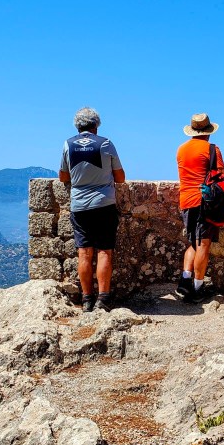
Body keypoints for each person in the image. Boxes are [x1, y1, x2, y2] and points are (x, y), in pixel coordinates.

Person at [59, 107, 126, 312]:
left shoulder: (68, 144)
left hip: (79, 206)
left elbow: (63, 177)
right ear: (96, 125)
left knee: (84, 253)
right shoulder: (105, 143)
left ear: (77, 126)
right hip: (104, 204)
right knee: (105, 251)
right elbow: (121, 177)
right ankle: (103, 299)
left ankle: (87, 299)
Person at [176, 113, 224, 302]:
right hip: (204, 202)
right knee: (203, 244)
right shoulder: (211, 149)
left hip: (186, 200)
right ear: (208, 131)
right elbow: (222, 175)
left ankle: (185, 280)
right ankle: (198, 288)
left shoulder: (181, 150)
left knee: (194, 242)